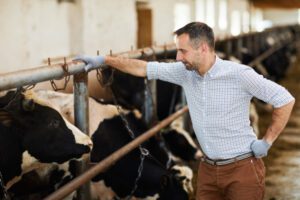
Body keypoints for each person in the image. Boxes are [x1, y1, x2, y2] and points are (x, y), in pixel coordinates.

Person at [75, 22, 295, 200]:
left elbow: (284, 100)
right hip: (208, 169)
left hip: (242, 169)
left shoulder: (239, 74)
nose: (178, 57)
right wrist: (104, 60)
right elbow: (143, 68)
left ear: (204, 49)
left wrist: (267, 141)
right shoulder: (184, 73)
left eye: (183, 51)